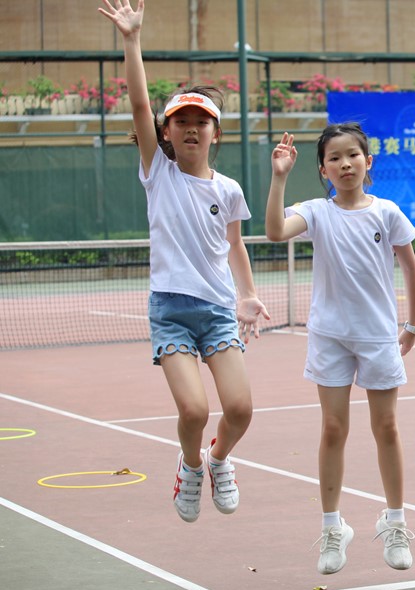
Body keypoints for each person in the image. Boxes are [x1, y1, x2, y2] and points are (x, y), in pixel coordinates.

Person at [100, 0, 269, 523]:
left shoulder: (230, 189)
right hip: (171, 310)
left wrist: (248, 294)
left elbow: (235, 245)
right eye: (181, 122)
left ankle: (218, 459)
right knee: (194, 410)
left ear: (215, 133)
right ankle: (191, 466)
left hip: (217, 310)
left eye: (202, 121)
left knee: (239, 409)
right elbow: (137, 104)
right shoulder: (159, 173)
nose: (191, 128)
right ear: (167, 132)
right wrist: (132, 39)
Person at [265, 125, 415, 575]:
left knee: (386, 427)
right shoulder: (316, 212)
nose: (345, 163)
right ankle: (333, 527)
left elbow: (410, 268)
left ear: (367, 162)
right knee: (333, 429)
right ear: (323, 169)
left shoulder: (387, 212)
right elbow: (275, 231)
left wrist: (412, 324)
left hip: (378, 336)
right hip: (330, 336)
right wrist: (279, 177)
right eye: (334, 158)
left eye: (353, 155)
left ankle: (395, 522)